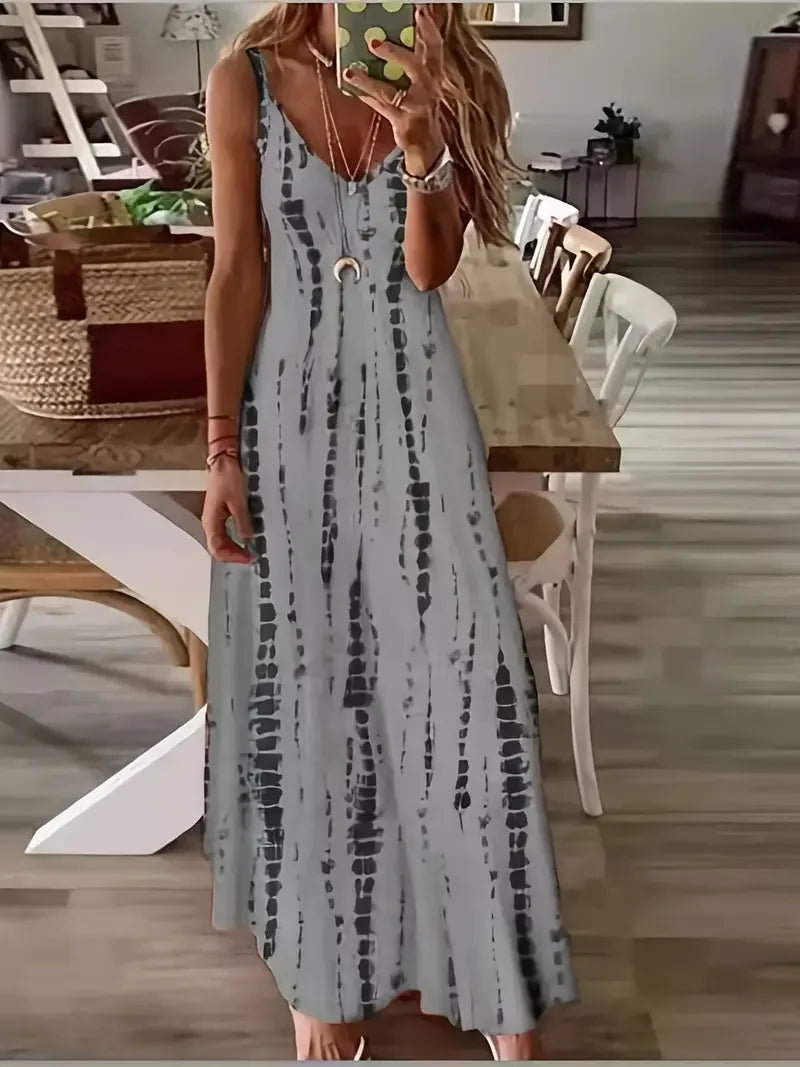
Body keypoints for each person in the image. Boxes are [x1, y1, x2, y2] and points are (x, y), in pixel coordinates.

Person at [201, 4, 576, 1060]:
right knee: (309, 682)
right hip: (287, 406)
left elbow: (427, 268)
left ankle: (491, 970)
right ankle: (324, 975)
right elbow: (236, 270)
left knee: (460, 678)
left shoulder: (448, 71)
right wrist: (221, 445)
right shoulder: (244, 79)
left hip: (419, 406)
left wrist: (422, 142)